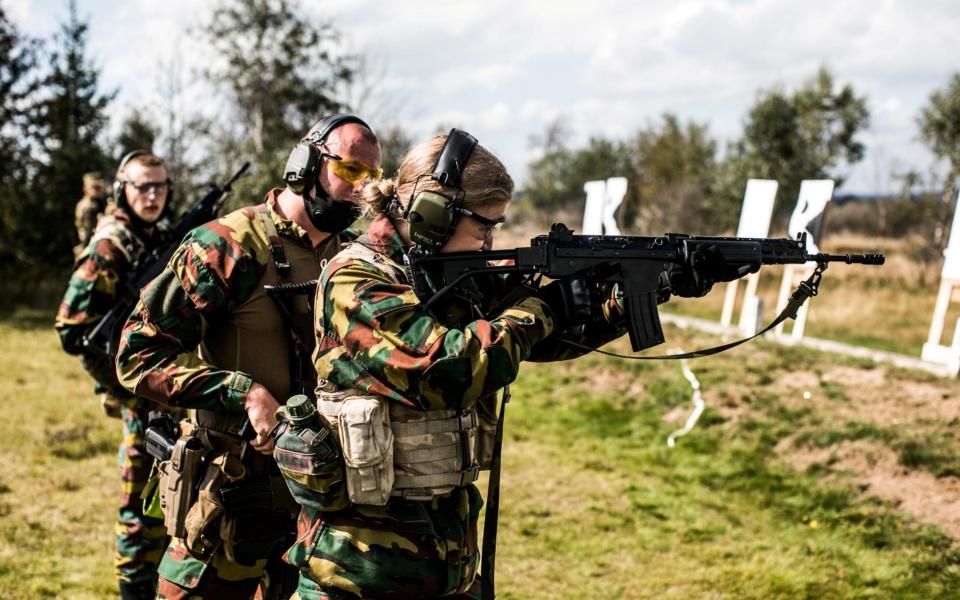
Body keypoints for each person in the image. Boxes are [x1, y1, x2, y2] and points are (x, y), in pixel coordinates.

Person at [277, 130, 627, 599]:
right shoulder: (356, 279)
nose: (489, 241)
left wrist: (627, 298)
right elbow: (444, 369)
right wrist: (536, 311)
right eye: (484, 225)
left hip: (449, 568)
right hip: (360, 576)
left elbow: (536, 341)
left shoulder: (448, 272)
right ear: (433, 215)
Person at [115, 114, 382, 600]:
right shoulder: (227, 244)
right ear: (304, 164)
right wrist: (244, 393)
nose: (360, 190)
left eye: (371, 179)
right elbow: (138, 354)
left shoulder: (355, 259)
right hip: (228, 500)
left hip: (317, 509)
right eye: (349, 171)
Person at [55, 152, 173, 599]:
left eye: (160, 186)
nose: (152, 195)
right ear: (123, 188)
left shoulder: (151, 236)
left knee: (163, 500)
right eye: (142, 186)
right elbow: (71, 328)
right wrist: (123, 387)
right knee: (138, 508)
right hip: (141, 399)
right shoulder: (112, 244)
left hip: (160, 393)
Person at [74, 171, 109, 257]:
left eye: (99, 187)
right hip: (91, 248)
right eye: (94, 187)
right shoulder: (88, 207)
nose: (98, 190)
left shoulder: (96, 202)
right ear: (85, 189)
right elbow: (88, 233)